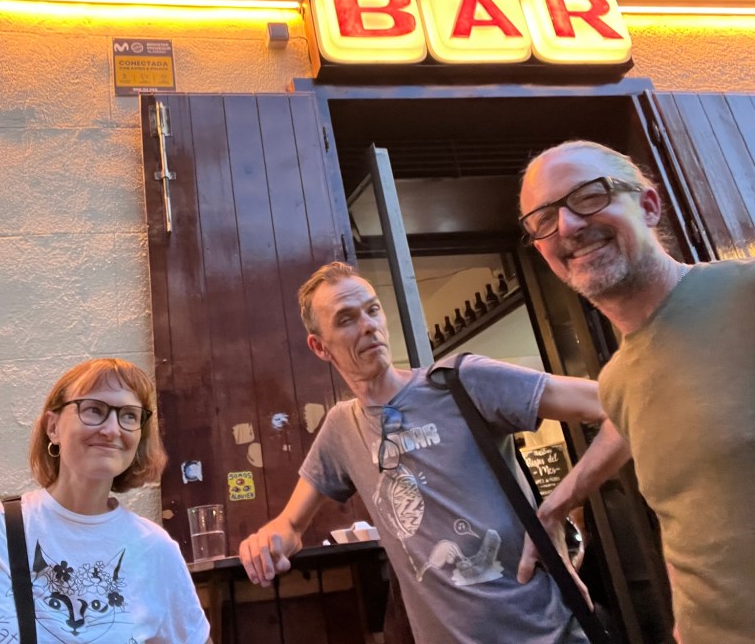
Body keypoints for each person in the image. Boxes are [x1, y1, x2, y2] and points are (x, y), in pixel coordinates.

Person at [239, 261, 606, 643]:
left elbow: (614, 402)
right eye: (346, 319)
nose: (368, 325)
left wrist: (555, 508)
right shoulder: (341, 427)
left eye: (372, 309)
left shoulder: (464, 381)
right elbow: (290, 525)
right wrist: (267, 542)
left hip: (547, 633)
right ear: (320, 347)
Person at [518, 140, 754, 644]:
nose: (568, 226)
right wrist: (555, 505)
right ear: (541, 249)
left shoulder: (745, 297)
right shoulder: (618, 380)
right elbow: (684, 509)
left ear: (648, 205)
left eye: (589, 196)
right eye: (543, 219)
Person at [0, 357, 211, 644]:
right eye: (94, 410)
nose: (112, 429)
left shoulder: (155, 551)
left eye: (129, 416)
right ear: (53, 427)